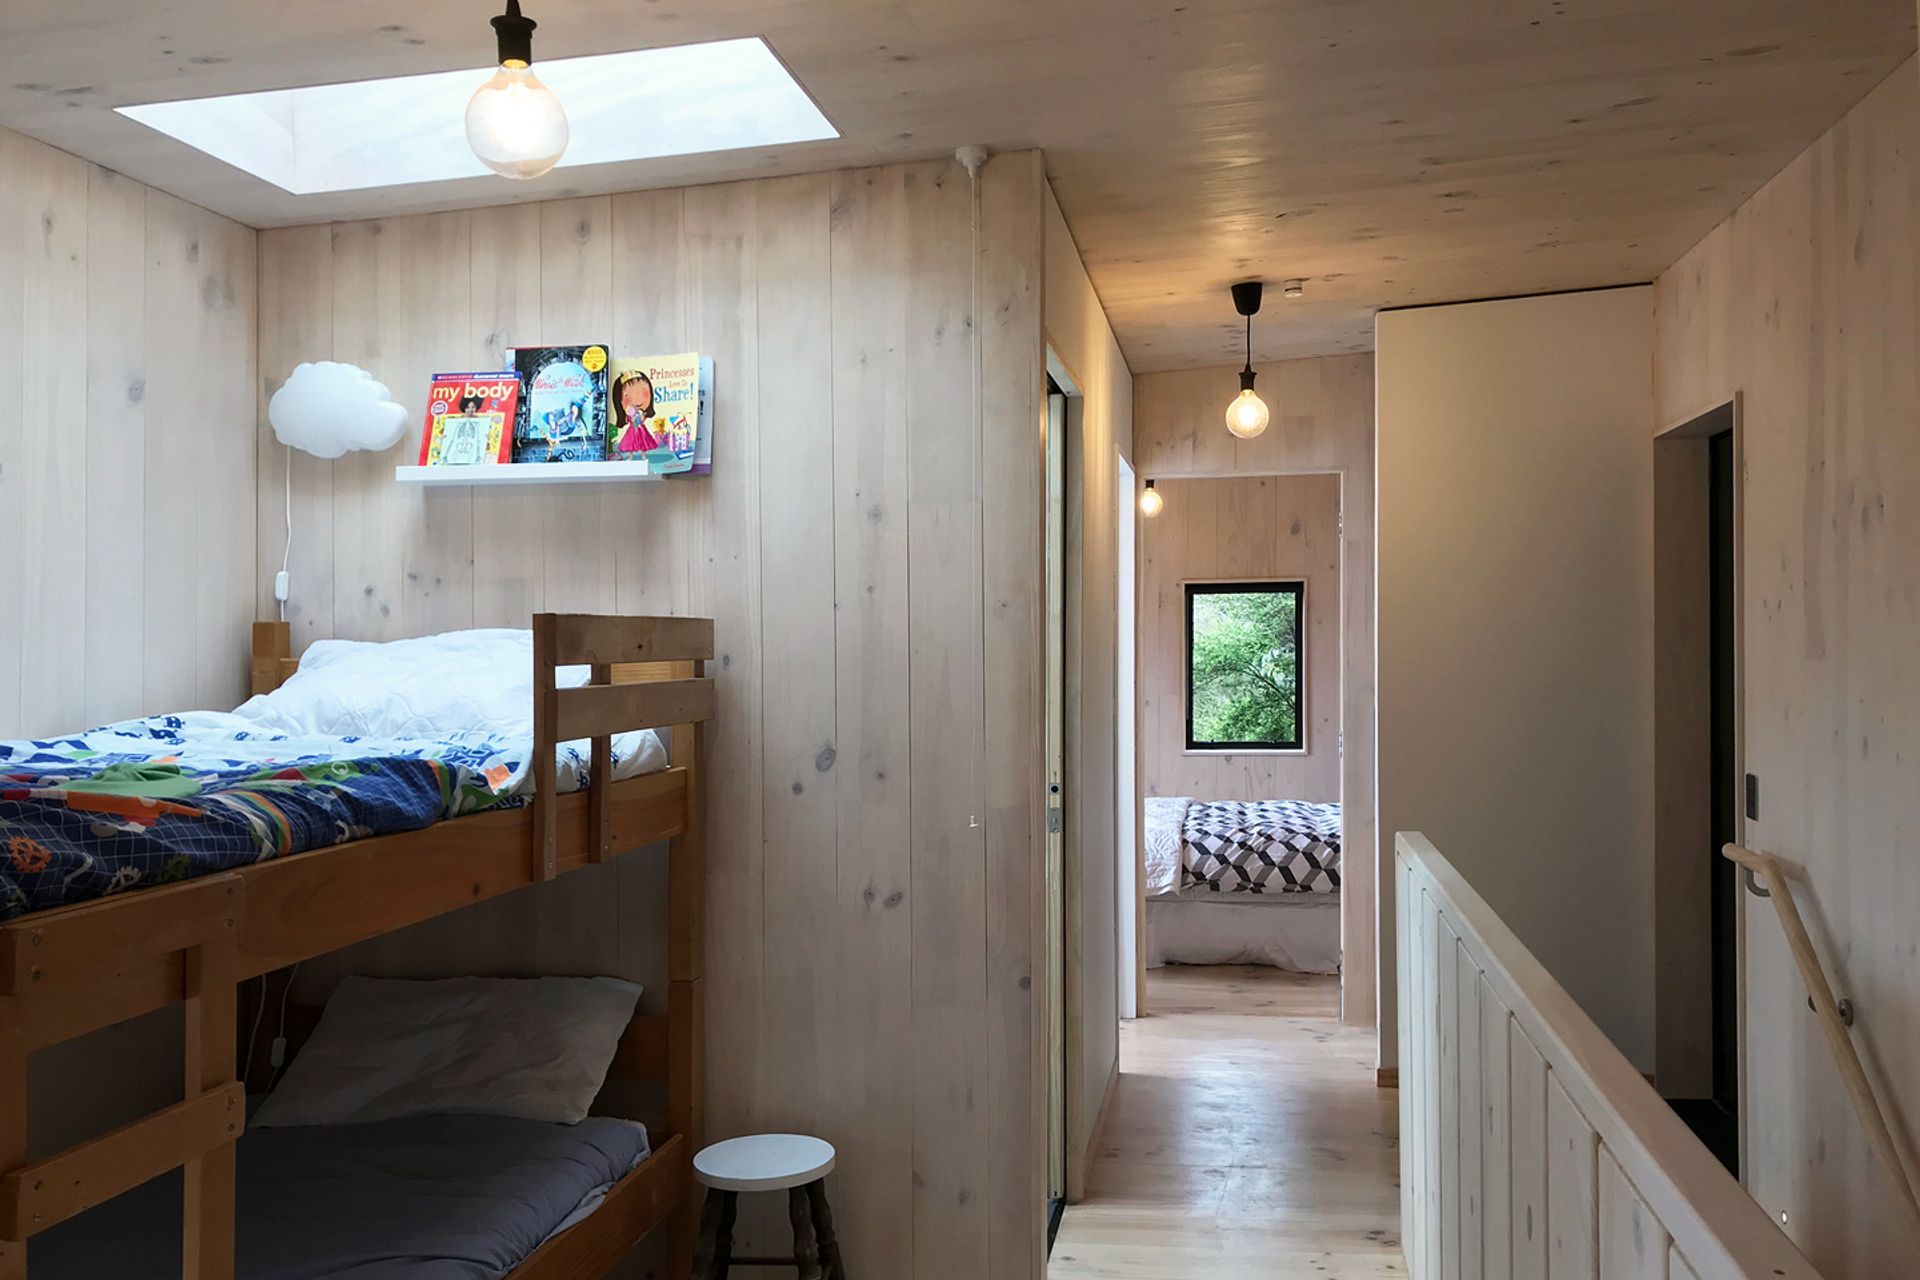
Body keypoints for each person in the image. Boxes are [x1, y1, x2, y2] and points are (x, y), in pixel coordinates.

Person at [610, 369, 663, 455]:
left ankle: (643, 455)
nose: (637, 399)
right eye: (627, 395)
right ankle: (630, 456)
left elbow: (642, 419)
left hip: (641, 430)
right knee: (631, 442)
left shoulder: (641, 413)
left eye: (643, 389)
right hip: (633, 430)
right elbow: (629, 419)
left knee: (644, 442)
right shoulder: (629, 413)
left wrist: (641, 417)